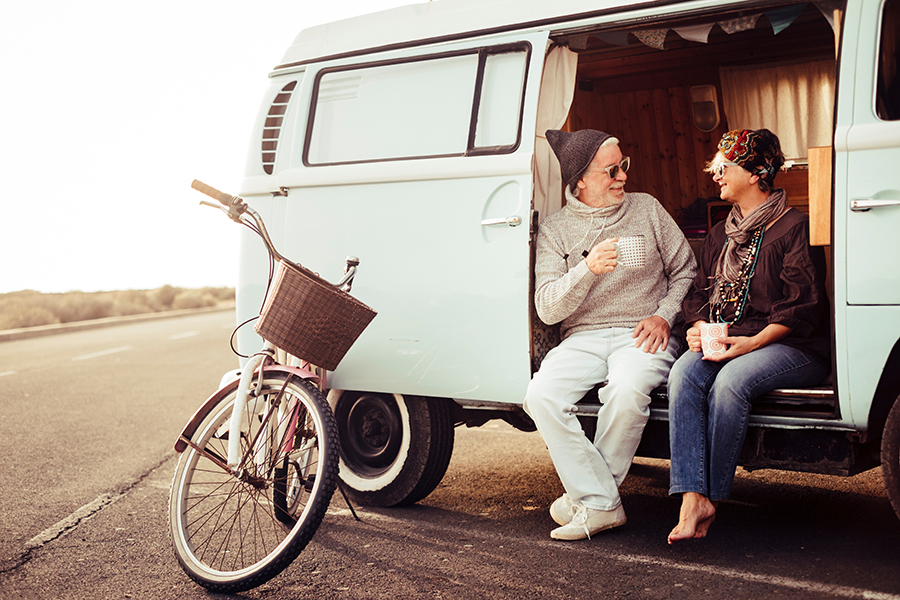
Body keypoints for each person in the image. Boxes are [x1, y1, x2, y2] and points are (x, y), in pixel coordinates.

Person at [524, 129, 697, 541]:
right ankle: (600, 500)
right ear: (580, 179)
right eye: (611, 170)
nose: (622, 176)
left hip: (644, 332)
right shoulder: (556, 230)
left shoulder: (647, 209)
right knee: (540, 395)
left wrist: (664, 315)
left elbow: (686, 270)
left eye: (625, 166)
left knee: (626, 390)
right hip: (583, 336)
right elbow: (547, 306)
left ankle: (590, 501)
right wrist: (586, 270)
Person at [666, 128, 830, 544]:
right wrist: (697, 328)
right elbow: (699, 293)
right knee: (683, 376)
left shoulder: (794, 226)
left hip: (789, 345)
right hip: (730, 339)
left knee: (731, 384)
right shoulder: (722, 232)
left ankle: (713, 496)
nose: (716, 174)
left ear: (757, 172)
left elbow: (804, 306)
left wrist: (751, 344)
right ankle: (691, 497)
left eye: (725, 166)